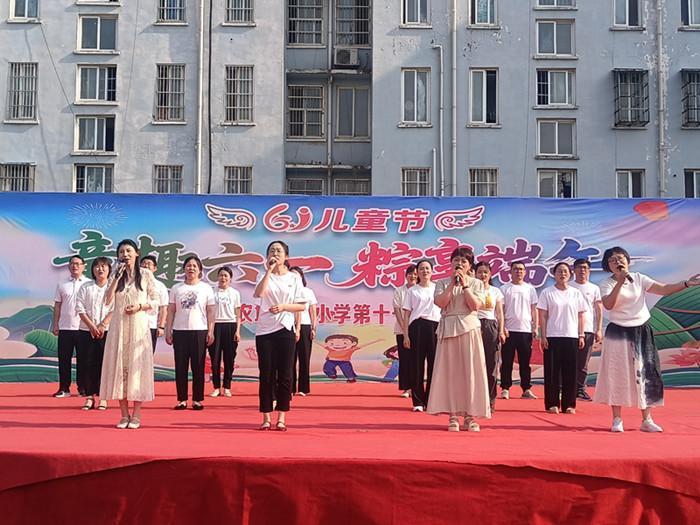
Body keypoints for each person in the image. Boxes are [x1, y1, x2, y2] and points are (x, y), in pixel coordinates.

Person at [593, 247, 700, 433]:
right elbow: (609, 305)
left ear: (627, 260)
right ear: (607, 266)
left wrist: (686, 284)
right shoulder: (606, 284)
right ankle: (617, 419)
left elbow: (663, 289)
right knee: (617, 373)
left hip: (641, 330)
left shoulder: (639, 278)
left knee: (646, 372)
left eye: (620, 258)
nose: (618, 262)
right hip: (618, 332)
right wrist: (620, 282)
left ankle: (646, 419)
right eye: (612, 260)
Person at [428, 248, 490, 432]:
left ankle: (470, 416)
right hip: (448, 329)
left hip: (469, 328)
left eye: (464, 261)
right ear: (451, 263)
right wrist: (451, 284)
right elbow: (441, 302)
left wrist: (464, 286)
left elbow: (475, 305)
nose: (459, 264)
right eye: (456, 260)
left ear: (470, 265)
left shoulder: (477, 283)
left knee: (471, 372)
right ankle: (453, 415)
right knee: (451, 373)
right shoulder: (441, 282)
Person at [101, 239, 160, 429]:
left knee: (137, 368)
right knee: (120, 368)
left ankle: (136, 415)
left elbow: (156, 300)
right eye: (121, 252)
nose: (125, 255)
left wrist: (139, 306)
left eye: (128, 251)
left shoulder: (145, 274)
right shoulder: (115, 275)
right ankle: (124, 415)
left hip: (138, 326)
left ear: (136, 253)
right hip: (118, 327)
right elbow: (107, 301)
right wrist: (116, 278)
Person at [254, 240, 306, 431]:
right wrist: (269, 271)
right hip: (265, 331)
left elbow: (301, 305)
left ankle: (282, 417)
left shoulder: (294, 278)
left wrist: (284, 307)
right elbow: (259, 294)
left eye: (279, 251)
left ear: (286, 256)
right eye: (271, 251)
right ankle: (266, 417)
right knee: (266, 374)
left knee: (285, 374)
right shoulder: (263, 275)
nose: (275, 253)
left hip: (285, 329)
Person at [165, 256, 216, 411]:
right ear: (184, 269)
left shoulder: (206, 288)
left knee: (198, 366)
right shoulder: (177, 288)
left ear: (200, 270)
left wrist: (211, 330)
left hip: (199, 331)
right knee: (180, 366)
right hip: (180, 331)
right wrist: (168, 329)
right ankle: (181, 399)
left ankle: (197, 399)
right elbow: (171, 310)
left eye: (194, 266)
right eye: (188, 266)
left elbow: (210, 311)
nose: (191, 268)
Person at [537, 262, 587, 415]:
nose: (562, 274)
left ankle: (569, 404)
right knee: (552, 372)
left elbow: (581, 315)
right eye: (559, 271)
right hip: (552, 336)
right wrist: (543, 336)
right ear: (554, 274)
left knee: (570, 372)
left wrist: (581, 334)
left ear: (570, 274)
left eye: (565, 271)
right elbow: (542, 316)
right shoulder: (547, 292)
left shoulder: (576, 293)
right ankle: (552, 403)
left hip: (571, 336)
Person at [402, 259, 441, 412]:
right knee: (416, 365)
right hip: (417, 327)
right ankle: (418, 401)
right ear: (417, 272)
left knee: (434, 365)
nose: (425, 271)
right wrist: (406, 335)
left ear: (432, 271)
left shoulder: (438, 288)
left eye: (427, 268)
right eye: (421, 269)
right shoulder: (412, 290)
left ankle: (431, 400)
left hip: (435, 327)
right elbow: (406, 314)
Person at [75, 257, 113, 410]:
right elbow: (80, 308)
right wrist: (91, 326)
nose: (100, 269)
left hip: (107, 331)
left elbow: (115, 308)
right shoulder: (86, 287)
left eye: (104, 266)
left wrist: (103, 325)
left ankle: (103, 397)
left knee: (105, 364)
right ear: (92, 269)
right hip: (86, 331)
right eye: (97, 266)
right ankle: (89, 397)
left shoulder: (113, 287)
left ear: (109, 269)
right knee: (87, 363)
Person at [52, 255, 91, 398]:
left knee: (84, 359)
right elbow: (57, 305)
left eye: (78, 264)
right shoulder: (62, 284)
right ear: (69, 266)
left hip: (83, 327)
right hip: (65, 327)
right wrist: (56, 323)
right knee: (64, 359)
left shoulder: (89, 284)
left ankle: (83, 388)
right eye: (72, 263)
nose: (75, 266)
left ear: (84, 266)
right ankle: (64, 388)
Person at [500, 261, 539, 400]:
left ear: (525, 272)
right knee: (507, 361)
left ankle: (526, 388)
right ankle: (505, 388)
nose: (519, 272)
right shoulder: (504, 288)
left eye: (521, 269)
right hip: (509, 330)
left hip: (525, 330)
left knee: (525, 362)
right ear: (510, 272)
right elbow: (501, 310)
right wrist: (502, 327)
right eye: (516, 269)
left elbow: (534, 309)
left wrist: (535, 327)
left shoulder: (530, 289)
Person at [570, 258, 603, 401]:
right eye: (579, 267)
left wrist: (599, 329)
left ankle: (580, 390)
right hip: (569, 329)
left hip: (588, 329)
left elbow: (598, 309)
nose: (582, 270)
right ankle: (564, 388)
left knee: (583, 362)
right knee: (567, 360)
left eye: (585, 268)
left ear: (589, 271)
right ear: (574, 270)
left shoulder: (594, 288)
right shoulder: (568, 286)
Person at [475, 261, 505, 412]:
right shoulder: (471, 289)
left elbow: (499, 313)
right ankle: (474, 400)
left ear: (490, 274)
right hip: (474, 324)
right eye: (480, 272)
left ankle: (490, 399)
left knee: (491, 364)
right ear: (475, 274)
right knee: (474, 364)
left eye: (485, 272)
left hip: (491, 326)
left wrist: (501, 330)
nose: (483, 275)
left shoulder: (495, 291)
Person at [208, 266, 241, 398]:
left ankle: (227, 386)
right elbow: (208, 311)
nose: (223, 278)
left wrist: (237, 331)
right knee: (215, 359)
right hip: (215, 325)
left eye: (226, 276)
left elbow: (238, 314)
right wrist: (210, 330)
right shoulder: (212, 292)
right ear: (218, 277)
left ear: (230, 278)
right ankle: (216, 387)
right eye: (221, 275)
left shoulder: (235, 293)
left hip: (230, 326)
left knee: (229, 359)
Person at [289, 266, 317, 396]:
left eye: (297, 275)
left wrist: (313, 328)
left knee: (304, 358)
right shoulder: (287, 291)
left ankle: (303, 388)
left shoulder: (308, 292)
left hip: (305, 326)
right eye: (292, 275)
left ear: (301, 277)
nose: (294, 277)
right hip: (289, 326)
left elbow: (313, 311)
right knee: (290, 359)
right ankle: (290, 388)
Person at [392, 264, 417, 398]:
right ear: (406, 276)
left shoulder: (420, 290)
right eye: (410, 274)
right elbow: (397, 310)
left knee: (416, 360)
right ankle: (406, 388)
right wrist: (405, 328)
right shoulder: (399, 291)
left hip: (418, 330)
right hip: (402, 330)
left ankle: (416, 388)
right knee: (405, 359)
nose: (413, 276)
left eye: (415, 274)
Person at [140, 255, 169, 353]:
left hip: (150, 325)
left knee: (148, 354)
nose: (146, 266)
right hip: (134, 324)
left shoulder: (160, 286)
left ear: (155, 268)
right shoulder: (133, 283)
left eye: (149, 264)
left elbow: (163, 308)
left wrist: (161, 326)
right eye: (143, 263)